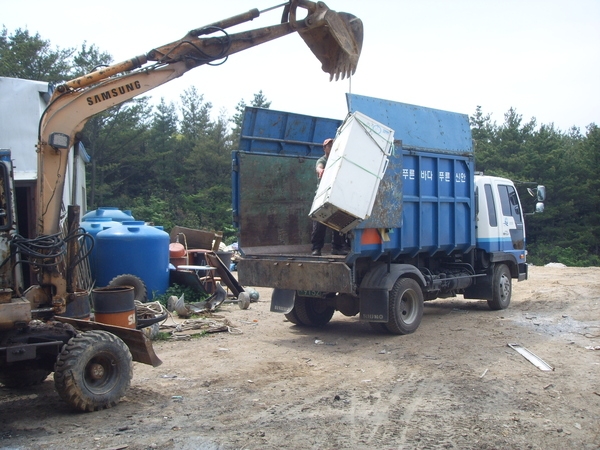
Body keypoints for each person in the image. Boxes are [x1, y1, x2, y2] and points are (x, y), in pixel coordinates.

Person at [311, 138, 347, 256]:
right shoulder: (323, 160)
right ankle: (316, 248)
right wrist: (320, 170)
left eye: (333, 146)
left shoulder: (338, 160)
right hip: (322, 197)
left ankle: (337, 248)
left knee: (337, 223)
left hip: (336, 195)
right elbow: (319, 167)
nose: (331, 148)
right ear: (324, 148)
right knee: (320, 224)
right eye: (329, 146)